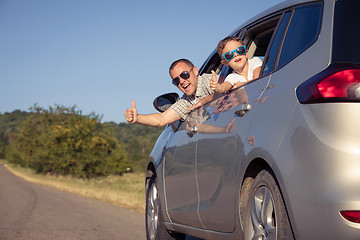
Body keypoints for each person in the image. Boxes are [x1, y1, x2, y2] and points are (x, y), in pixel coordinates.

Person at [124, 59, 216, 127]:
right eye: (176, 80)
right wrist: (137, 118)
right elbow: (162, 119)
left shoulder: (209, 80)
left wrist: (205, 101)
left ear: (195, 71)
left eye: (184, 74)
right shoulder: (186, 101)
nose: (181, 81)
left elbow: (228, 91)